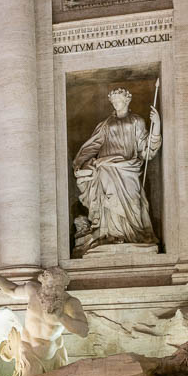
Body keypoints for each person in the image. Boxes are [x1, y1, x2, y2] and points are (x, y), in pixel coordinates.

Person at [72, 88, 161, 253]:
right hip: (106, 167)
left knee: (134, 202)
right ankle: (111, 235)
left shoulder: (137, 121)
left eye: (119, 101)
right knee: (110, 200)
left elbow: (146, 150)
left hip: (129, 169)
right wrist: (80, 162)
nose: (116, 104)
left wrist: (157, 125)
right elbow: (93, 145)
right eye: (113, 102)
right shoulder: (105, 124)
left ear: (127, 101)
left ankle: (134, 235)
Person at [0, 266, 89, 376]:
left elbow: (83, 331)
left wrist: (61, 316)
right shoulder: (33, 290)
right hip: (26, 350)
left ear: (64, 287)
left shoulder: (70, 303)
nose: (53, 290)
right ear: (43, 282)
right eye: (49, 286)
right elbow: (11, 290)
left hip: (49, 355)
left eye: (58, 287)